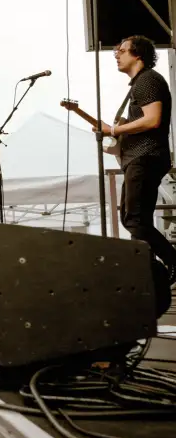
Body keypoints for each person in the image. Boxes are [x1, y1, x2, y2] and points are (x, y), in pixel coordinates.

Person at [65, 35, 176, 282]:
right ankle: (149, 271)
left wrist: (114, 130)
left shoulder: (147, 80)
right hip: (139, 157)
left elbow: (152, 119)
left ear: (138, 54)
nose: (117, 54)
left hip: (145, 157)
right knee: (131, 218)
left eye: (122, 50)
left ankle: (167, 263)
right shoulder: (140, 84)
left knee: (135, 219)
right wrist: (115, 139)